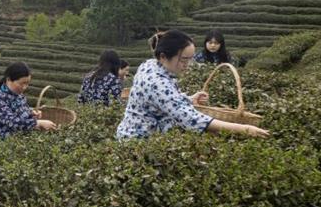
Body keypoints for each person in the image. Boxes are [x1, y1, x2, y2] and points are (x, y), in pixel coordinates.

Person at [116, 30, 270, 140]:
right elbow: (190, 118)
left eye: (191, 59)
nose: (188, 65)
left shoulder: (150, 64)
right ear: (163, 57)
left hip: (135, 134)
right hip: (138, 141)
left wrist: (189, 99)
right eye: (184, 60)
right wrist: (244, 129)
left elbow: (163, 101)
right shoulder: (155, 81)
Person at [0, 62, 57, 152]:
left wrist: (31, 112)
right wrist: (37, 123)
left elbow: (20, 110)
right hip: (4, 148)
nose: (24, 87)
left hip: (20, 144)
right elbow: (12, 122)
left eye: (27, 83)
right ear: (8, 80)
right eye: (21, 83)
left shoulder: (19, 95)